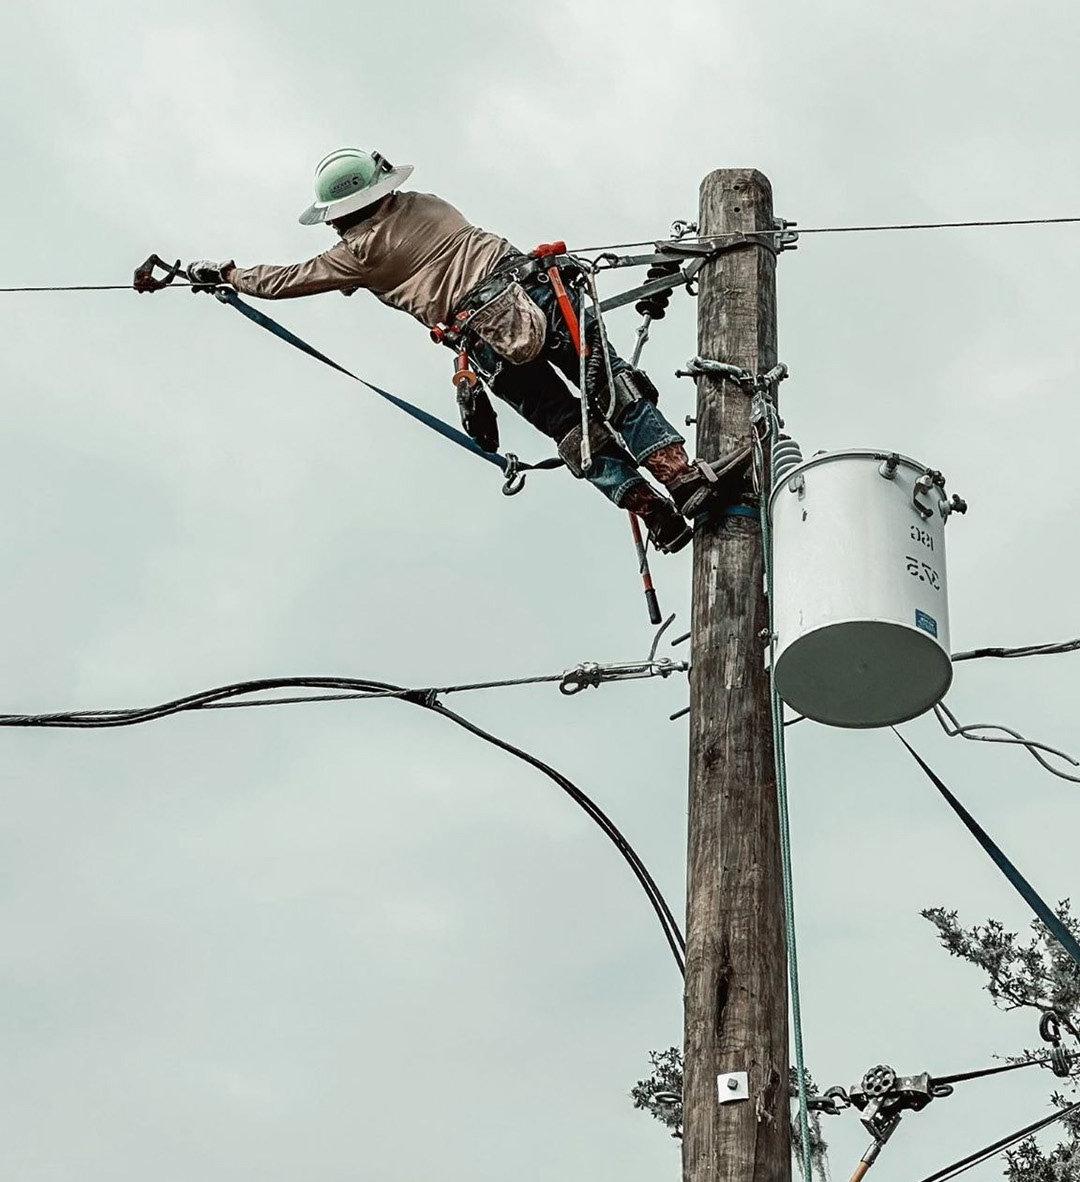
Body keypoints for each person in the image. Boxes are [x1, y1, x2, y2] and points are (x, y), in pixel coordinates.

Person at [188, 148, 749, 552]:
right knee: (610, 388)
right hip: (536, 295)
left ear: (340, 215)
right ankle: (681, 478)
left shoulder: (356, 256)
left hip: (481, 343)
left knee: (567, 426)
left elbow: (285, 279)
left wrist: (227, 273)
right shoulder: (427, 205)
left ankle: (653, 511)